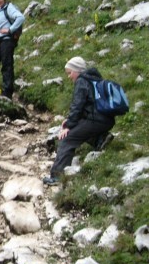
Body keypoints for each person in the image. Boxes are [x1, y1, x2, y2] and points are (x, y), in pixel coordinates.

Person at [43, 56, 115, 186]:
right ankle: (100, 139)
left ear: (77, 70)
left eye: (70, 73)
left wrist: (68, 126)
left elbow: (77, 106)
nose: (69, 76)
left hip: (96, 120)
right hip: (107, 120)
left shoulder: (81, 81)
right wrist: (69, 121)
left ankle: (57, 176)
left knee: (67, 139)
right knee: (80, 129)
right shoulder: (95, 79)